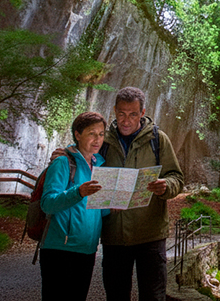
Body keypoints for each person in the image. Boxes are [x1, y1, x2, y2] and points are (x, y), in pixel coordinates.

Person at [101, 86, 184, 301]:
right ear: (114, 111)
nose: (126, 120)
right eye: (121, 114)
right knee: (116, 296)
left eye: (133, 114)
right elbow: (82, 160)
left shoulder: (158, 139)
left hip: (151, 235)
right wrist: (66, 154)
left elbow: (176, 176)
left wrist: (166, 186)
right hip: (114, 235)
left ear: (142, 112)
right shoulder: (103, 141)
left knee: (153, 296)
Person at [39, 111, 108, 301]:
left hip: (87, 249)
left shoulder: (100, 166)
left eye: (101, 134)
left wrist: (114, 204)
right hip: (59, 249)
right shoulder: (63, 162)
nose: (97, 139)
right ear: (78, 134)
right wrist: (78, 192)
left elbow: (97, 210)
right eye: (91, 133)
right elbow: (47, 203)